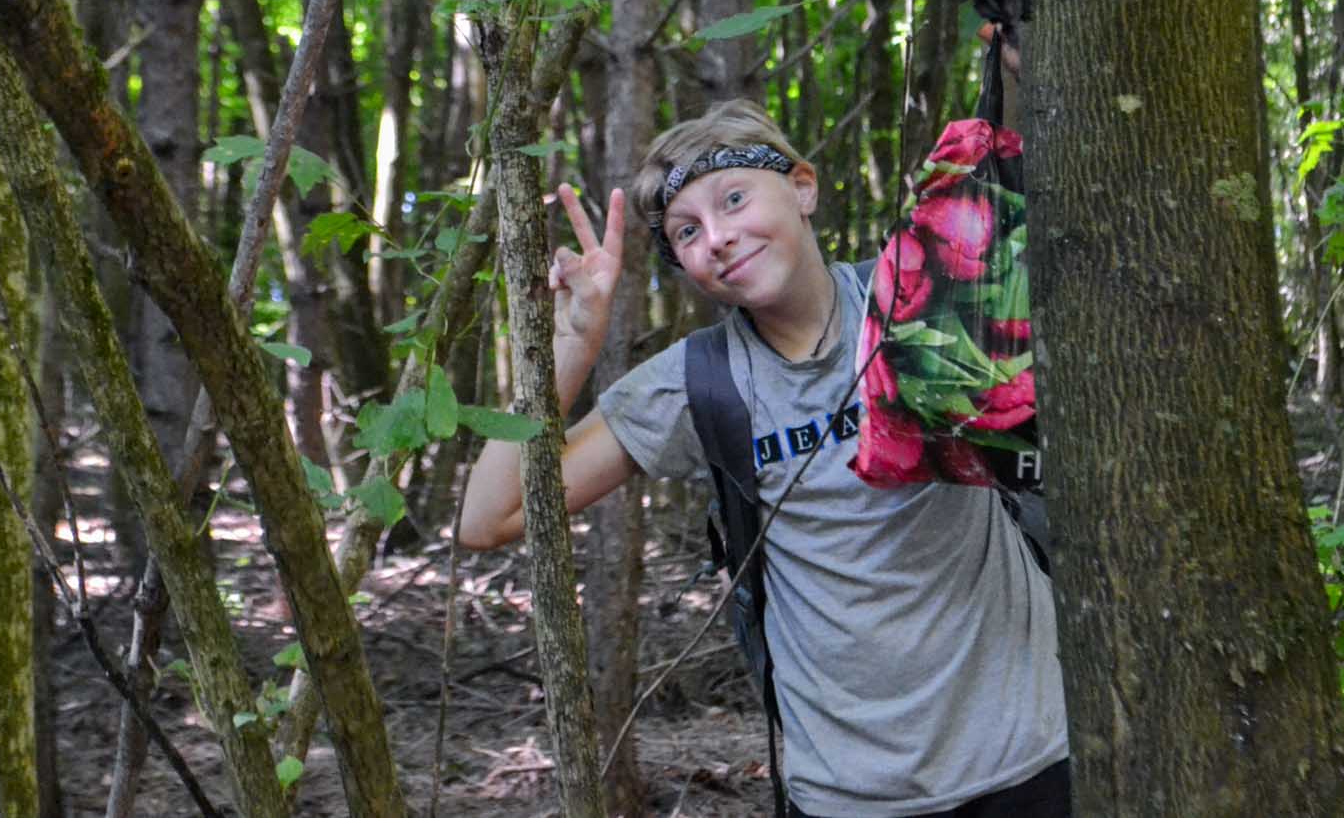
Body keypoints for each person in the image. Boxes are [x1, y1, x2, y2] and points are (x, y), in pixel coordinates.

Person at [457, 99, 1070, 816]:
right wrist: (572, 344)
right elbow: (486, 517)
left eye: (734, 199)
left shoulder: (922, 301)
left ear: (803, 187)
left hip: (1031, 759)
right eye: (687, 231)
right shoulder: (699, 382)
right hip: (848, 797)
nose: (718, 237)